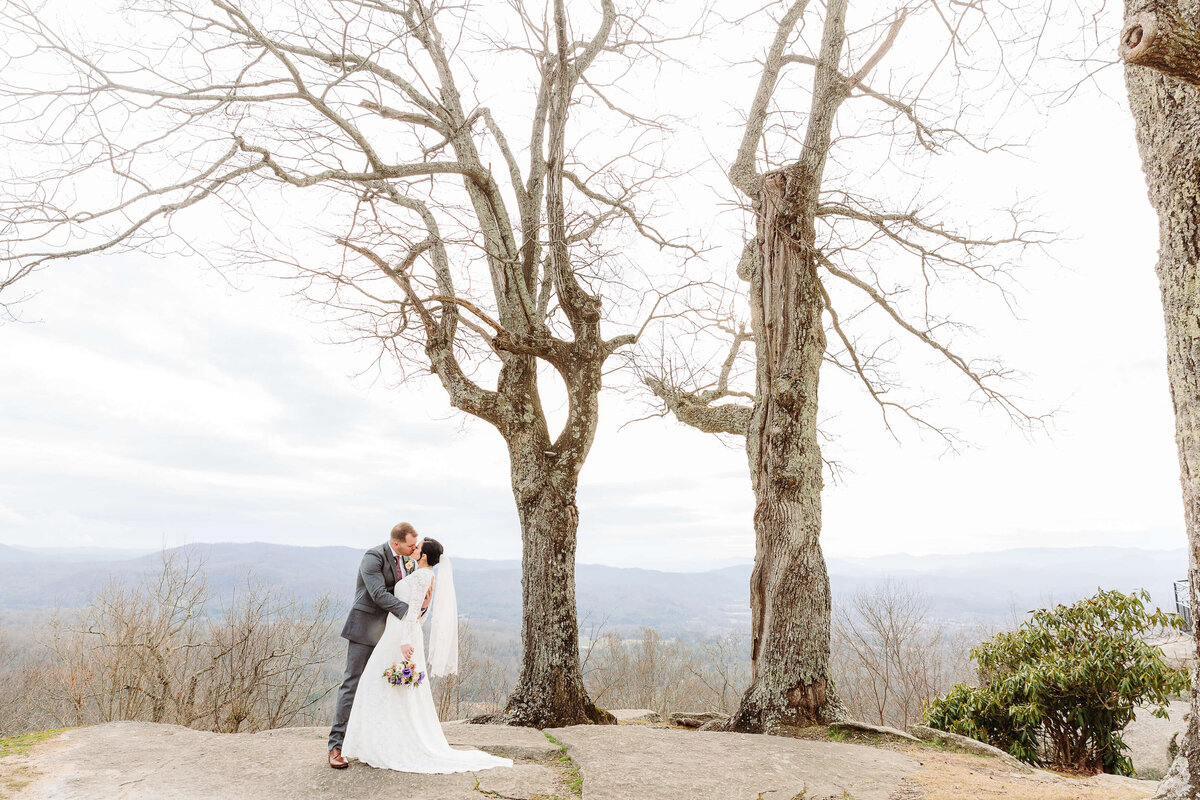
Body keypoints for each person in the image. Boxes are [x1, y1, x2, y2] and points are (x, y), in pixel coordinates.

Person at [341, 538, 512, 773]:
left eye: (418, 547)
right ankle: (380, 741)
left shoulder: (423, 577)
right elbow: (419, 610)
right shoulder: (423, 573)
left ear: (423, 556)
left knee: (379, 686)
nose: (414, 548)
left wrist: (404, 642)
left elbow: (413, 613)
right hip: (396, 633)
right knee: (383, 688)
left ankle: (385, 744)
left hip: (400, 636)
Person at [327, 522, 419, 769]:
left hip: (391, 632)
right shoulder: (373, 557)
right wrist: (408, 612)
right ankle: (336, 745)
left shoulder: (408, 562)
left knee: (385, 685)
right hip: (365, 628)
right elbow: (378, 593)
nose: (414, 548)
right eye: (410, 544)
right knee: (352, 684)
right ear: (396, 542)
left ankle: (376, 743)